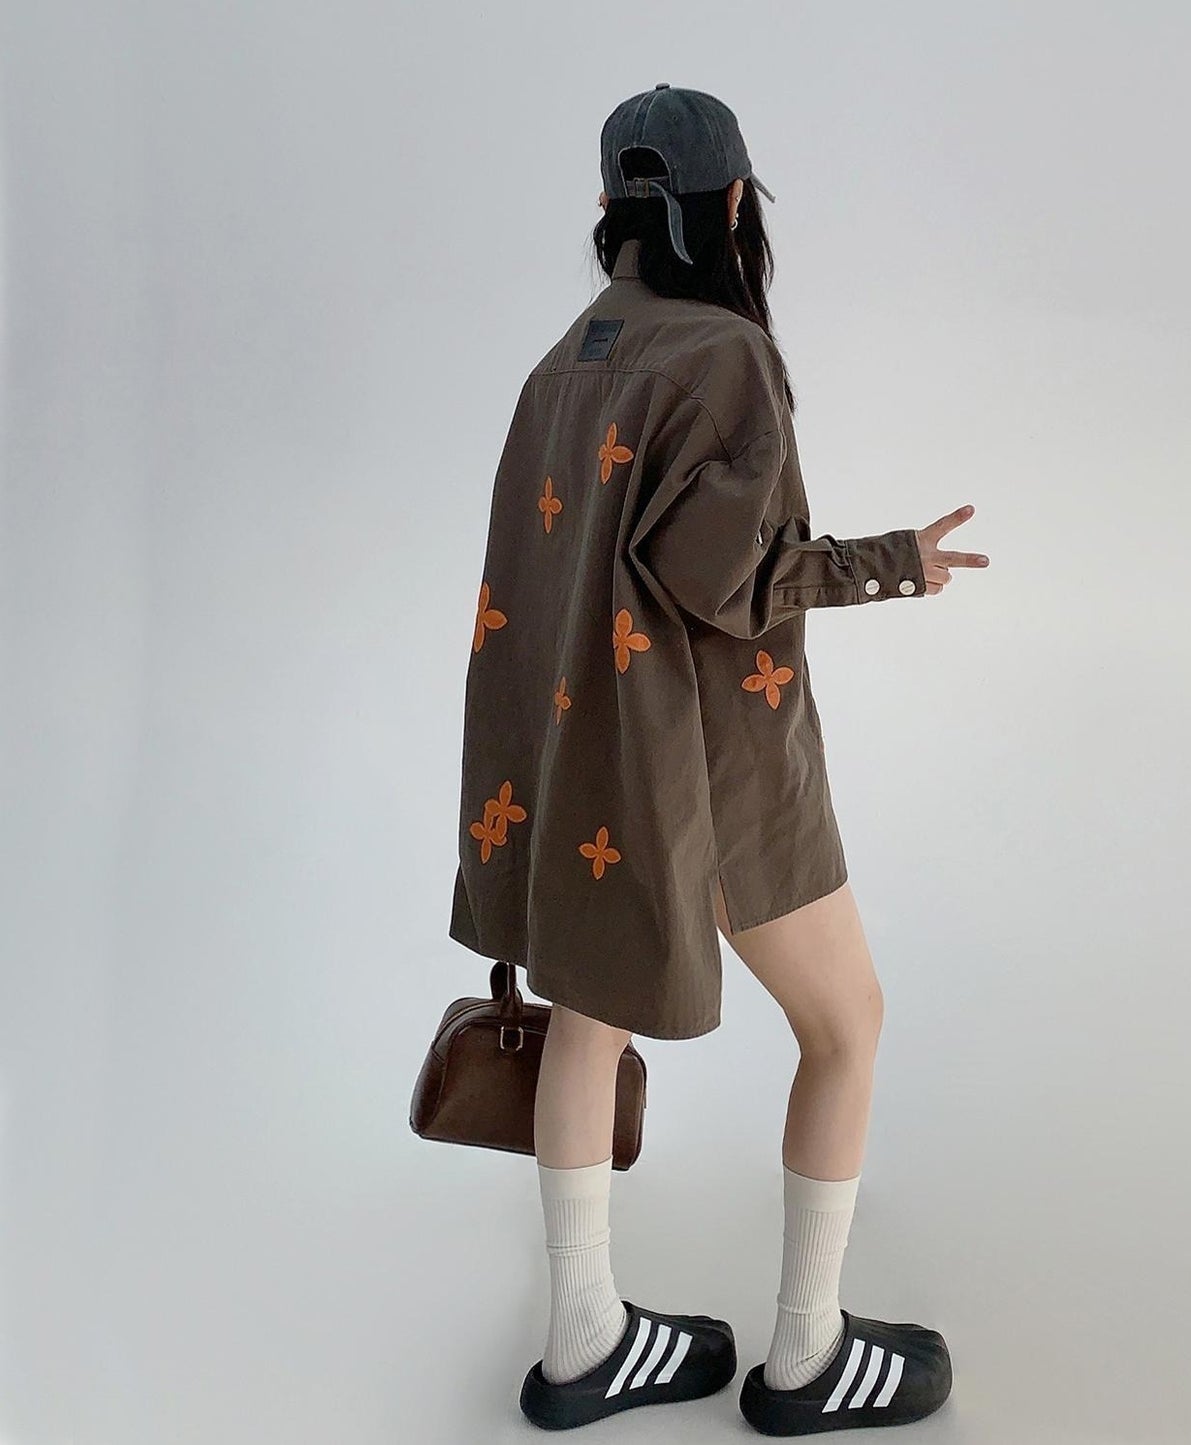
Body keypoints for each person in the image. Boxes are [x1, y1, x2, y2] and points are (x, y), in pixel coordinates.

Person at [448, 84, 987, 1434]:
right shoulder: (723, 354)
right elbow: (723, 581)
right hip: (715, 765)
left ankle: (584, 1341)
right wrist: (894, 565)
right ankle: (806, 1356)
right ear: (734, 203)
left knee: (587, 1023)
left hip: (582, 766)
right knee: (846, 1026)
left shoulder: (560, 362)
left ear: (608, 211)